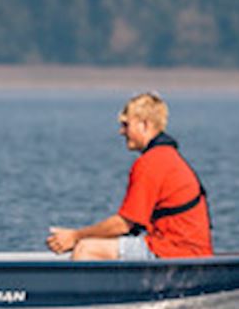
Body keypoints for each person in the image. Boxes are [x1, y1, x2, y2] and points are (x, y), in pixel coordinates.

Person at [47, 92, 213, 261]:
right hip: (182, 249)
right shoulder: (166, 156)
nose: (121, 131)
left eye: (126, 125)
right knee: (96, 243)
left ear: (144, 125)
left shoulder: (152, 162)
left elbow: (123, 224)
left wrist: (75, 236)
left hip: (175, 251)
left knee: (87, 248)